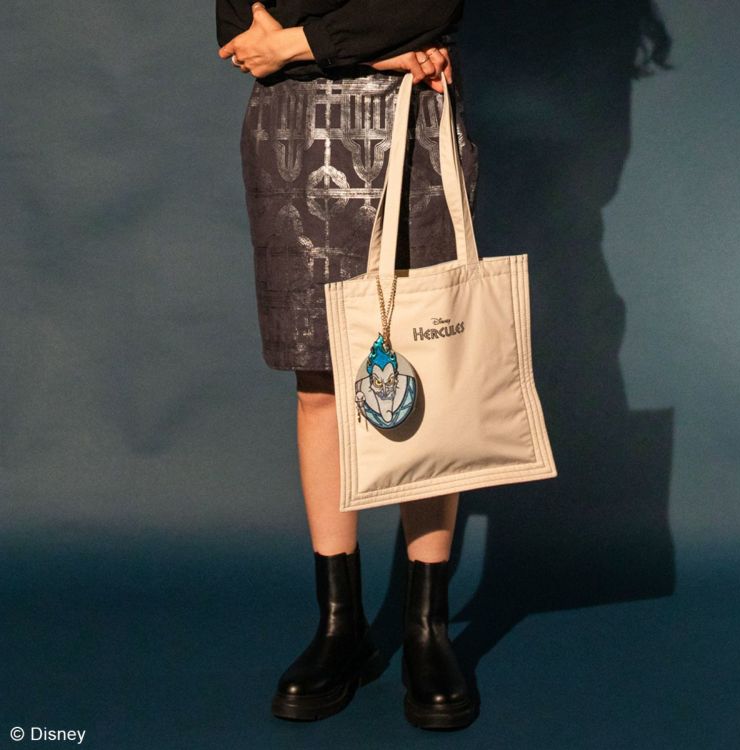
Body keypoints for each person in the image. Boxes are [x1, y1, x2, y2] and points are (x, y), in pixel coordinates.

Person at [216, 0, 480, 730]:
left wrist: (301, 44)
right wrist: (376, 47)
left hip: (408, 115)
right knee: (321, 385)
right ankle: (342, 626)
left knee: (428, 376)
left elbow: (432, 6)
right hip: (294, 131)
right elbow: (240, 32)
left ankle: (426, 627)